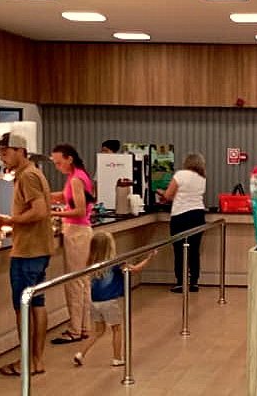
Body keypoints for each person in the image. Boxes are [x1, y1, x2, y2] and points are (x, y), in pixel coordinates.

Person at [0, 132, 55, 377]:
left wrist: (8, 221)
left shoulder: (27, 176)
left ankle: (28, 361)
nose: (2, 157)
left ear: (20, 151)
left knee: (23, 307)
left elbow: (39, 211)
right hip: (38, 248)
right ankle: (36, 360)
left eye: (5, 152)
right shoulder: (32, 173)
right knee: (36, 304)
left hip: (28, 251)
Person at [72, 231, 156, 367]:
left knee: (97, 331)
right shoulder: (116, 263)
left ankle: (80, 353)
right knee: (117, 329)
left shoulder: (91, 263)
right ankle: (117, 358)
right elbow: (134, 270)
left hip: (94, 302)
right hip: (110, 301)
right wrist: (149, 258)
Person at [49, 143, 95, 344]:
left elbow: (79, 211)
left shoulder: (76, 179)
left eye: (59, 163)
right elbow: (66, 196)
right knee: (82, 281)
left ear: (69, 159)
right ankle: (83, 326)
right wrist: (45, 196)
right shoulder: (77, 176)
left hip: (77, 232)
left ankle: (75, 329)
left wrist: (51, 212)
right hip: (81, 231)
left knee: (74, 282)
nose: (57, 166)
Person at [155, 153, 206, 293]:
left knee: (179, 250)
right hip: (198, 215)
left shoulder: (180, 175)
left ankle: (180, 283)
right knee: (194, 250)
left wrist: (160, 192)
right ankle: (194, 282)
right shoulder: (202, 178)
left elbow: (168, 195)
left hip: (181, 216)